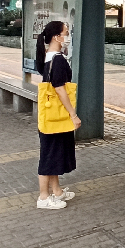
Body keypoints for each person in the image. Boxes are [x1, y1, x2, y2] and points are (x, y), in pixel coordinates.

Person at [34, 21, 81, 209]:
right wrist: (73, 114)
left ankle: (57, 191)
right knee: (48, 156)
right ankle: (43, 197)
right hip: (56, 116)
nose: (67, 37)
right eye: (65, 33)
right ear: (56, 37)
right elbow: (60, 89)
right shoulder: (58, 60)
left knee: (52, 153)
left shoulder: (47, 56)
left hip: (49, 115)